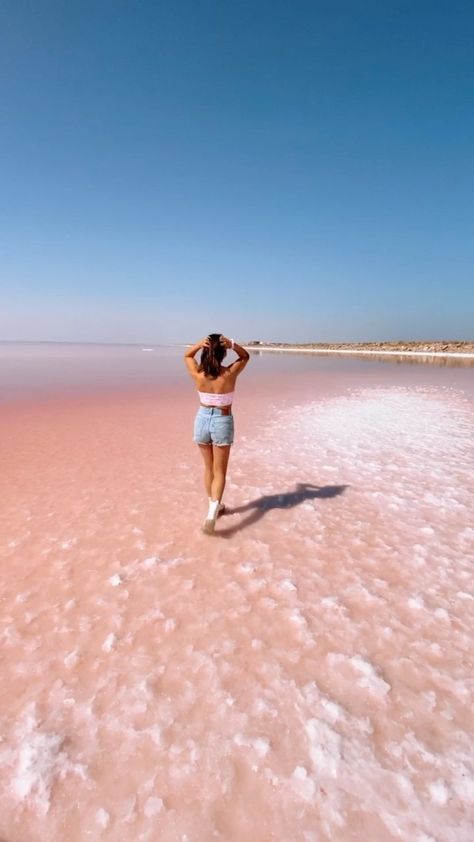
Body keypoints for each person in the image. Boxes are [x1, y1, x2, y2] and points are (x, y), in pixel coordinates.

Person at [184, 334, 250, 534]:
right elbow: (245, 357)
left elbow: (187, 356)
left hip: (202, 419)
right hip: (222, 419)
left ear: (205, 351)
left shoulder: (198, 374)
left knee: (208, 468)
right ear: (223, 354)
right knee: (220, 471)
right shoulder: (229, 374)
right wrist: (232, 344)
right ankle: (212, 513)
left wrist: (198, 344)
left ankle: (214, 507)